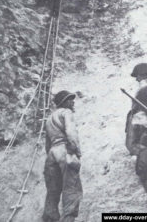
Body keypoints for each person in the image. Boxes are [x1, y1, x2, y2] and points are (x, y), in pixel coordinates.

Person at [42, 90, 83, 222]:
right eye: (69, 100)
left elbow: (47, 144)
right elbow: (71, 132)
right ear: (63, 103)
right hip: (65, 150)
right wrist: (76, 152)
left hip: (52, 154)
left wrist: (51, 156)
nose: (72, 102)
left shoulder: (49, 119)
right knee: (71, 188)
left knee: (53, 191)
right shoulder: (66, 112)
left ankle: (49, 219)